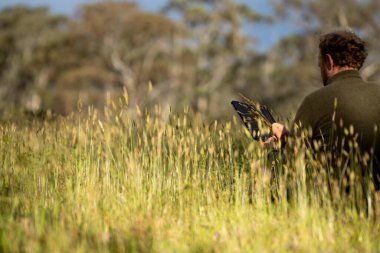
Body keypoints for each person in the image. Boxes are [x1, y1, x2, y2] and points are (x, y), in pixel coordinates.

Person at [266, 30, 380, 190]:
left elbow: (290, 166)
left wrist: (278, 147)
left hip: (336, 205)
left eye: (320, 61)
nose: (319, 66)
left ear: (329, 61)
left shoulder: (314, 101)